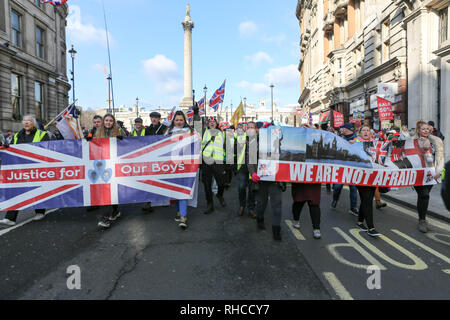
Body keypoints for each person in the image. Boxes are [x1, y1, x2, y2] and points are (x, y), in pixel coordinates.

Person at [0, 115, 50, 227]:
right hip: (20, 168)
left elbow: (48, 150)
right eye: (25, 121)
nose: (26, 123)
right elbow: (12, 149)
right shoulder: (17, 135)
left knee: (37, 189)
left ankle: (40, 211)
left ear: (34, 123)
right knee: (17, 191)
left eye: (29, 121)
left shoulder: (42, 134)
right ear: (22, 123)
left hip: (37, 168)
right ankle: (10, 218)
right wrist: (7, 147)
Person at [248, 122, 285, 241]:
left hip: (275, 179)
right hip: (261, 179)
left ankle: (276, 229)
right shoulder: (255, 142)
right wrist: (253, 173)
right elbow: (250, 160)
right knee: (261, 203)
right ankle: (260, 219)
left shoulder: (279, 143)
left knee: (277, 205)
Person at [88, 114, 125, 229]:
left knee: (110, 189)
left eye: (110, 121)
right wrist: (88, 139)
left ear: (113, 122)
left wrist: (121, 139)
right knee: (106, 190)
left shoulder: (119, 131)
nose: (108, 122)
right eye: (106, 120)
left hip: (115, 165)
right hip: (103, 165)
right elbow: (90, 142)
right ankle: (107, 216)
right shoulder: (97, 132)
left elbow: (126, 144)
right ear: (103, 122)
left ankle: (111, 213)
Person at [164, 111, 196, 229]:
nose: (179, 122)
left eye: (181, 120)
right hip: (171, 166)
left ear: (184, 121)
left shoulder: (190, 132)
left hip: (185, 166)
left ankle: (183, 217)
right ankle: (178, 211)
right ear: (173, 121)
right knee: (174, 191)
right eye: (177, 120)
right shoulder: (168, 132)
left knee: (183, 191)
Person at [412, 120, 444, 233]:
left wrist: (438, 171)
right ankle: (422, 221)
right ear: (418, 130)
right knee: (424, 195)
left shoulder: (436, 141)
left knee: (424, 196)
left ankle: (422, 218)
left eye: (427, 129)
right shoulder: (412, 141)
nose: (426, 130)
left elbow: (440, 157)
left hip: (431, 173)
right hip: (417, 173)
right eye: (423, 129)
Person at [353, 125, 381, 237]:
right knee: (367, 200)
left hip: (373, 176)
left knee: (366, 199)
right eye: (363, 130)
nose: (365, 132)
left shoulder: (375, 143)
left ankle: (360, 222)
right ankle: (371, 227)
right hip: (360, 176)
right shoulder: (354, 144)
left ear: (371, 133)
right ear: (359, 133)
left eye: (368, 130)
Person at [142, 112, 167, 212]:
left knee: (163, 178)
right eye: (152, 117)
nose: (154, 119)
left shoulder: (164, 127)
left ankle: (165, 199)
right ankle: (149, 202)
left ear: (159, 119)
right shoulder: (148, 129)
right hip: (151, 156)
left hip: (162, 156)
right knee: (151, 179)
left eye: (156, 118)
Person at [331, 123, 359, 216]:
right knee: (337, 187)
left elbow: (361, 149)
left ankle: (353, 207)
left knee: (353, 188)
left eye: (342, 128)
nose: (341, 129)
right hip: (341, 167)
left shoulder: (357, 139)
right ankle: (335, 199)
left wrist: (355, 144)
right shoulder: (340, 138)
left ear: (347, 129)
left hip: (353, 167)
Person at [201, 117, 226, 215]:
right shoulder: (204, 132)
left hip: (218, 161)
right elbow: (196, 124)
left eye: (213, 122)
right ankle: (210, 204)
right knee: (207, 184)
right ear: (207, 124)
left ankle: (220, 195)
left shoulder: (222, 133)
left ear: (217, 124)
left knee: (222, 183)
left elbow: (227, 146)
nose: (212, 123)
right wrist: (196, 115)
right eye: (210, 122)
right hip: (206, 161)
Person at [235, 122, 256, 218]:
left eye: (252, 127)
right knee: (242, 187)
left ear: (255, 129)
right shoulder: (241, 137)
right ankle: (242, 206)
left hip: (254, 168)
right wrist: (240, 145)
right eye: (249, 127)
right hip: (243, 167)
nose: (250, 129)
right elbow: (234, 150)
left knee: (252, 190)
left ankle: (251, 208)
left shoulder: (259, 139)